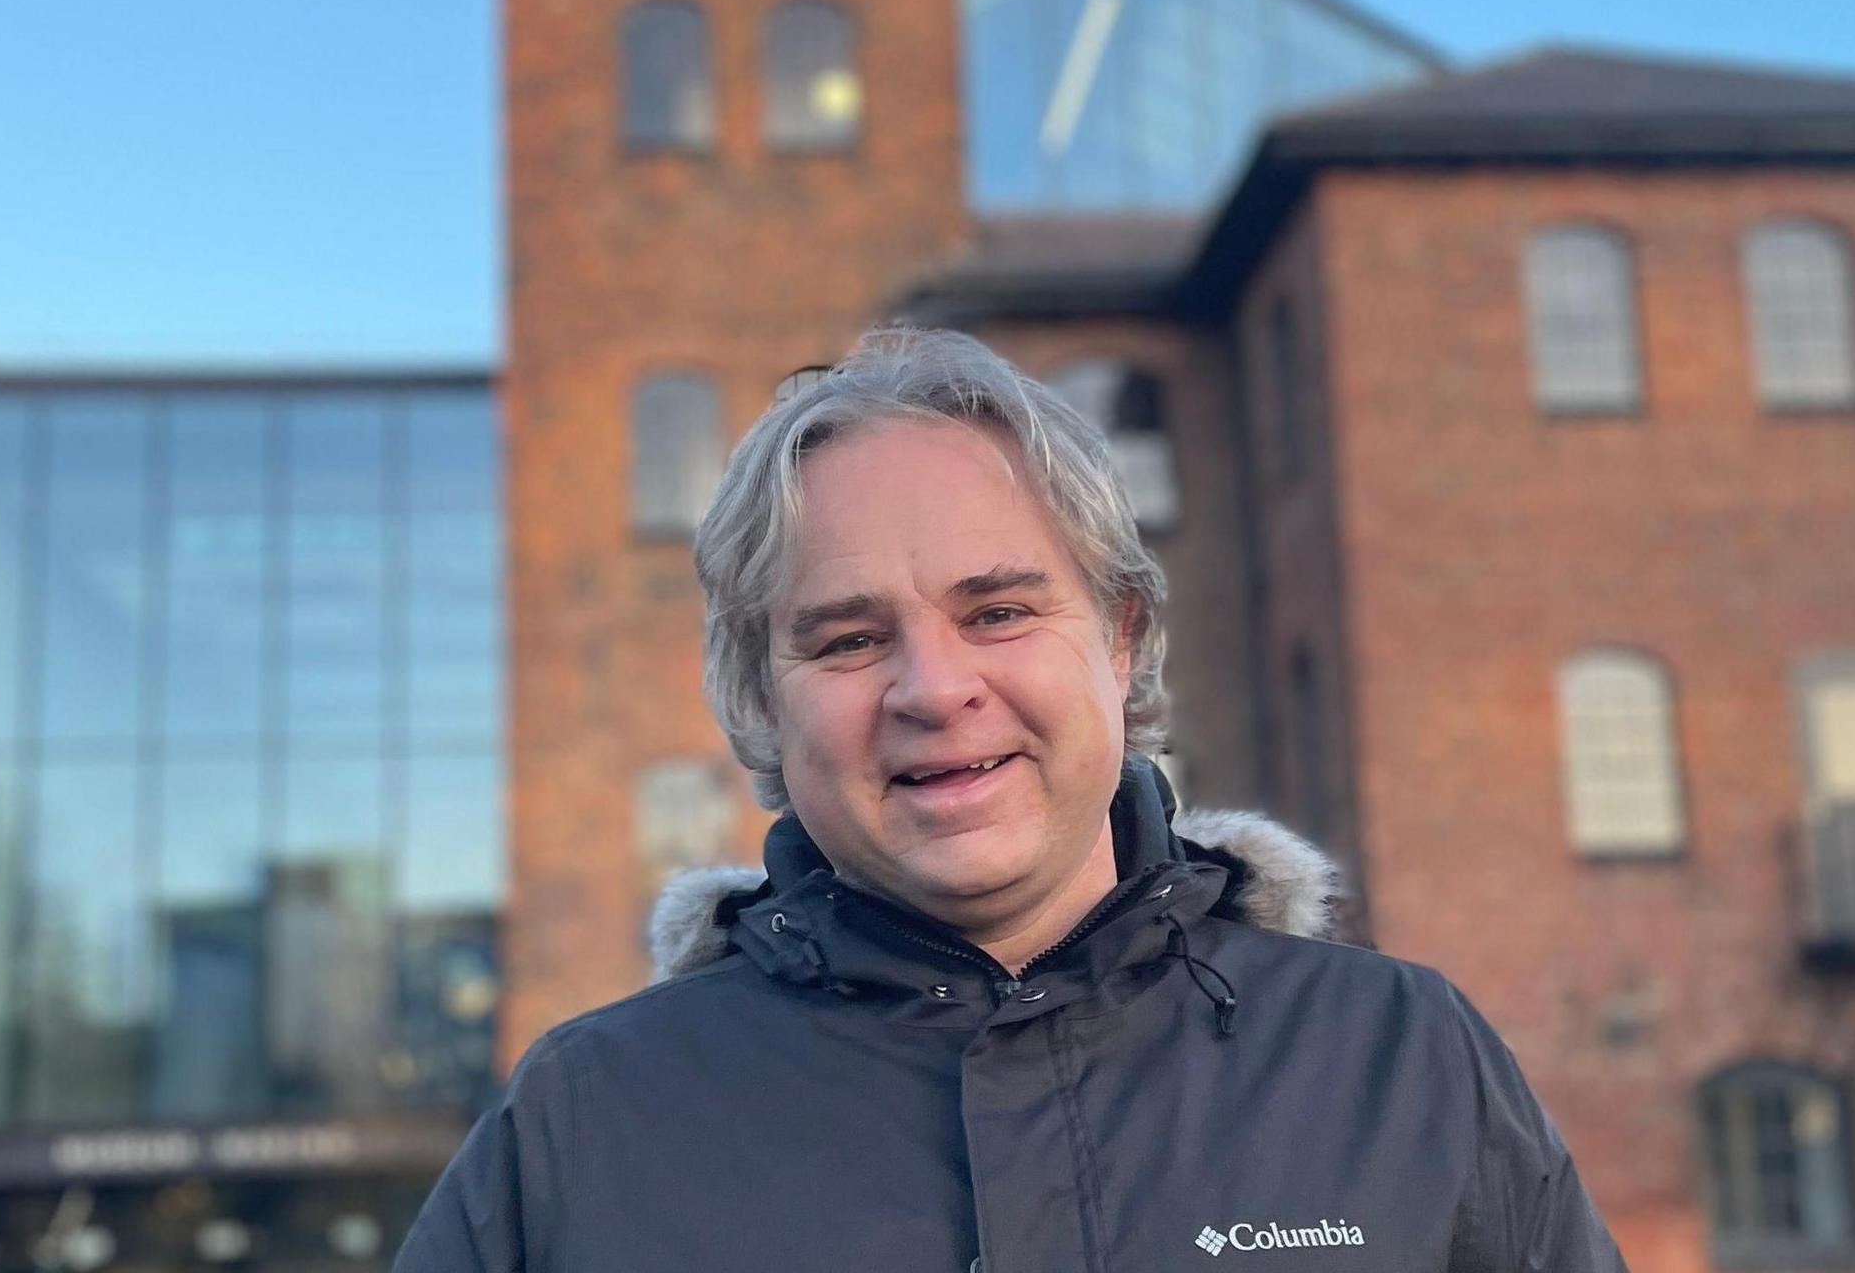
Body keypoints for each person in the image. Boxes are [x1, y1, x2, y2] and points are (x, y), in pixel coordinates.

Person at [394, 328, 1627, 1272]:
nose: (934, 688)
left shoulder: (1396, 1058)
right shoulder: (590, 1118)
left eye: (998, 612)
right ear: (761, 702)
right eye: (845, 640)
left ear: (1123, 638)